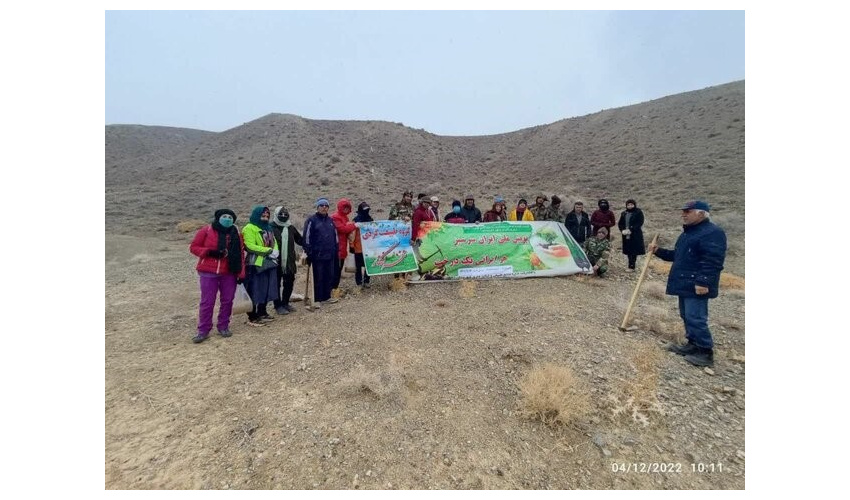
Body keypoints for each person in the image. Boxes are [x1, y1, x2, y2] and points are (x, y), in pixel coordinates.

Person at [648, 201, 727, 367]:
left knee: (696, 317)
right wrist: (658, 251)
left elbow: (713, 260)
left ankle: (705, 352)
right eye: (683, 211)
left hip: (697, 284)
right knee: (686, 315)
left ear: (701, 213)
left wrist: (703, 281)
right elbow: (677, 256)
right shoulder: (687, 234)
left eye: (688, 211)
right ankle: (692, 344)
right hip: (685, 282)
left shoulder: (712, 233)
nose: (683, 214)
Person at [188, 209, 245, 343]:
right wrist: (209, 252)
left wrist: (241, 272)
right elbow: (194, 247)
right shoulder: (207, 230)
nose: (227, 219)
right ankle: (203, 330)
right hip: (208, 271)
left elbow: (241, 253)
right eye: (224, 216)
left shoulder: (236, 234)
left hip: (229, 271)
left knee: (227, 300)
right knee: (207, 301)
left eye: (230, 217)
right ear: (218, 217)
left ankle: (223, 326)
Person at [242, 205, 281, 326]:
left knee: (267, 287)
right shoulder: (249, 228)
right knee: (254, 288)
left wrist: (276, 251)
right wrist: (268, 251)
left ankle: (262, 311)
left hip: (269, 262)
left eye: (267, 216)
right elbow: (249, 245)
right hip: (255, 263)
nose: (265, 218)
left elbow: (274, 241)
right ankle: (252, 315)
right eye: (262, 215)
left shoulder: (268, 228)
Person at [303, 198, 339, 306]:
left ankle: (326, 297)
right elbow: (307, 238)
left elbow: (335, 237)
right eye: (321, 205)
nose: (324, 207)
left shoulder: (331, 221)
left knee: (329, 276)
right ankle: (317, 299)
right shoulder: (311, 220)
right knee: (318, 277)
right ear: (317, 207)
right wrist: (309, 252)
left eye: (326, 206)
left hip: (330, 254)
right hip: (317, 255)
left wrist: (336, 249)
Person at [270, 205, 303, 315]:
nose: (283, 216)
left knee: (289, 282)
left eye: (285, 214)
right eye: (281, 214)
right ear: (276, 215)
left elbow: (300, 240)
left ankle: (285, 302)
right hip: (275, 261)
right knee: (276, 284)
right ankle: (277, 305)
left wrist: (311, 242)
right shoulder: (270, 227)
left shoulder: (290, 228)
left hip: (289, 261)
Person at [330, 198, 356, 295]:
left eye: (347, 207)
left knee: (338, 270)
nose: (346, 209)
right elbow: (342, 229)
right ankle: (332, 290)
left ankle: (334, 289)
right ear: (340, 207)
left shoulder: (345, 218)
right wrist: (354, 226)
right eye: (344, 207)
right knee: (335, 271)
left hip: (342, 247)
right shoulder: (335, 217)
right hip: (336, 248)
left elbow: (347, 230)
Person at [618, 199, 646, 272]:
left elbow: (640, 222)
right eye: (628, 205)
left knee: (634, 250)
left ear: (634, 205)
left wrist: (631, 229)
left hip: (635, 234)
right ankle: (630, 265)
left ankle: (632, 266)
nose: (630, 206)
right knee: (628, 250)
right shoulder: (624, 213)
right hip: (626, 235)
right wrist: (622, 230)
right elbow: (620, 223)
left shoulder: (638, 212)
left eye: (631, 205)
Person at [351, 201, 373, 288]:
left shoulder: (370, 220)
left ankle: (367, 281)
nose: (366, 211)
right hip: (358, 247)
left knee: (369, 265)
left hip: (368, 247)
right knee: (358, 267)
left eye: (367, 210)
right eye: (364, 210)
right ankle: (359, 283)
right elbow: (351, 234)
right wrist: (351, 245)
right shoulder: (355, 221)